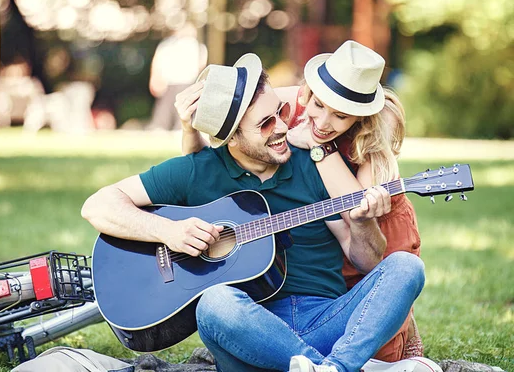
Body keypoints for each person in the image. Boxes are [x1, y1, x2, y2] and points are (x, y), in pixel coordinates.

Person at [82, 51, 429, 372]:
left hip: (326, 321)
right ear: (231, 137)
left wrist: (364, 222)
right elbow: (98, 205)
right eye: (265, 123)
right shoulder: (196, 171)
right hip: (249, 333)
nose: (283, 128)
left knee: (406, 267)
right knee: (214, 303)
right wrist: (167, 231)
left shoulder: (317, 161)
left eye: (282, 112)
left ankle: (334, 367)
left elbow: (368, 261)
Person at [174, 40, 424, 362]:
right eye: (318, 105)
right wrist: (189, 126)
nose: (322, 123)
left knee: (399, 276)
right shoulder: (283, 103)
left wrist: (319, 150)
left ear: (359, 116)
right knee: (217, 303)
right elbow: (207, 171)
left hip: (372, 223)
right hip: (303, 253)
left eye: (341, 116)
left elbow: (358, 213)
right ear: (307, 91)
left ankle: (362, 352)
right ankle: (329, 367)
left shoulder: (376, 127)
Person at [146, 23, 207, 130]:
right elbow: (157, 62)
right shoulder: (168, 44)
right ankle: (160, 127)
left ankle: (181, 128)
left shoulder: (197, 46)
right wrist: (155, 78)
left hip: (188, 81)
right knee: (166, 108)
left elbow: (201, 64)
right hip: (170, 81)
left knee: (186, 107)